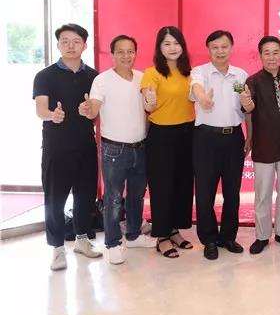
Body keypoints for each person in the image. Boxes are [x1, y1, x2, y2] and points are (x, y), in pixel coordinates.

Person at [33, 23, 102, 270]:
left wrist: (89, 111)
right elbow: (40, 109)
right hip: (57, 147)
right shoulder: (45, 76)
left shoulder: (94, 76)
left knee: (85, 195)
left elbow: (96, 112)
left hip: (85, 145)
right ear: (58, 45)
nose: (70, 46)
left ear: (85, 45)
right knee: (55, 198)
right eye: (65, 41)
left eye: (76, 41)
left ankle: (82, 240)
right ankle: (57, 248)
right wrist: (52, 115)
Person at [85, 35, 156, 264]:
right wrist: (88, 109)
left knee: (136, 195)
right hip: (114, 149)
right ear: (112, 54)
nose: (126, 56)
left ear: (136, 53)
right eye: (121, 52)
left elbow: (149, 107)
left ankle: (133, 235)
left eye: (130, 51)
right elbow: (93, 108)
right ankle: (113, 243)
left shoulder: (142, 77)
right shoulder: (102, 80)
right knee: (113, 199)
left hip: (140, 146)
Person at [190, 30, 249, 261]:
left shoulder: (241, 75)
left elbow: (246, 107)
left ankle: (228, 237)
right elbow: (196, 88)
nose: (220, 51)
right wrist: (203, 98)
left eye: (224, 47)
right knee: (205, 192)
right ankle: (209, 239)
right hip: (205, 138)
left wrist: (250, 136)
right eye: (215, 47)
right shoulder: (200, 72)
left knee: (232, 192)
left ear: (231, 48)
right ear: (209, 49)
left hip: (234, 137)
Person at [141, 26, 196, 259]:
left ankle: (174, 230)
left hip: (188, 133)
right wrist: (150, 101)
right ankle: (162, 237)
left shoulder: (190, 73)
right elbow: (148, 103)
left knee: (182, 184)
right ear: (159, 48)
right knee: (162, 186)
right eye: (166, 43)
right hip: (161, 135)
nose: (172, 48)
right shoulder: (152, 73)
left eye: (176, 43)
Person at [242, 36, 280, 254]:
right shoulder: (253, 81)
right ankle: (262, 235)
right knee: (263, 193)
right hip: (263, 144)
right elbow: (249, 111)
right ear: (260, 55)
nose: (272, 57)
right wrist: (249, 137)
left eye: (276, 52)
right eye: (267, 53)